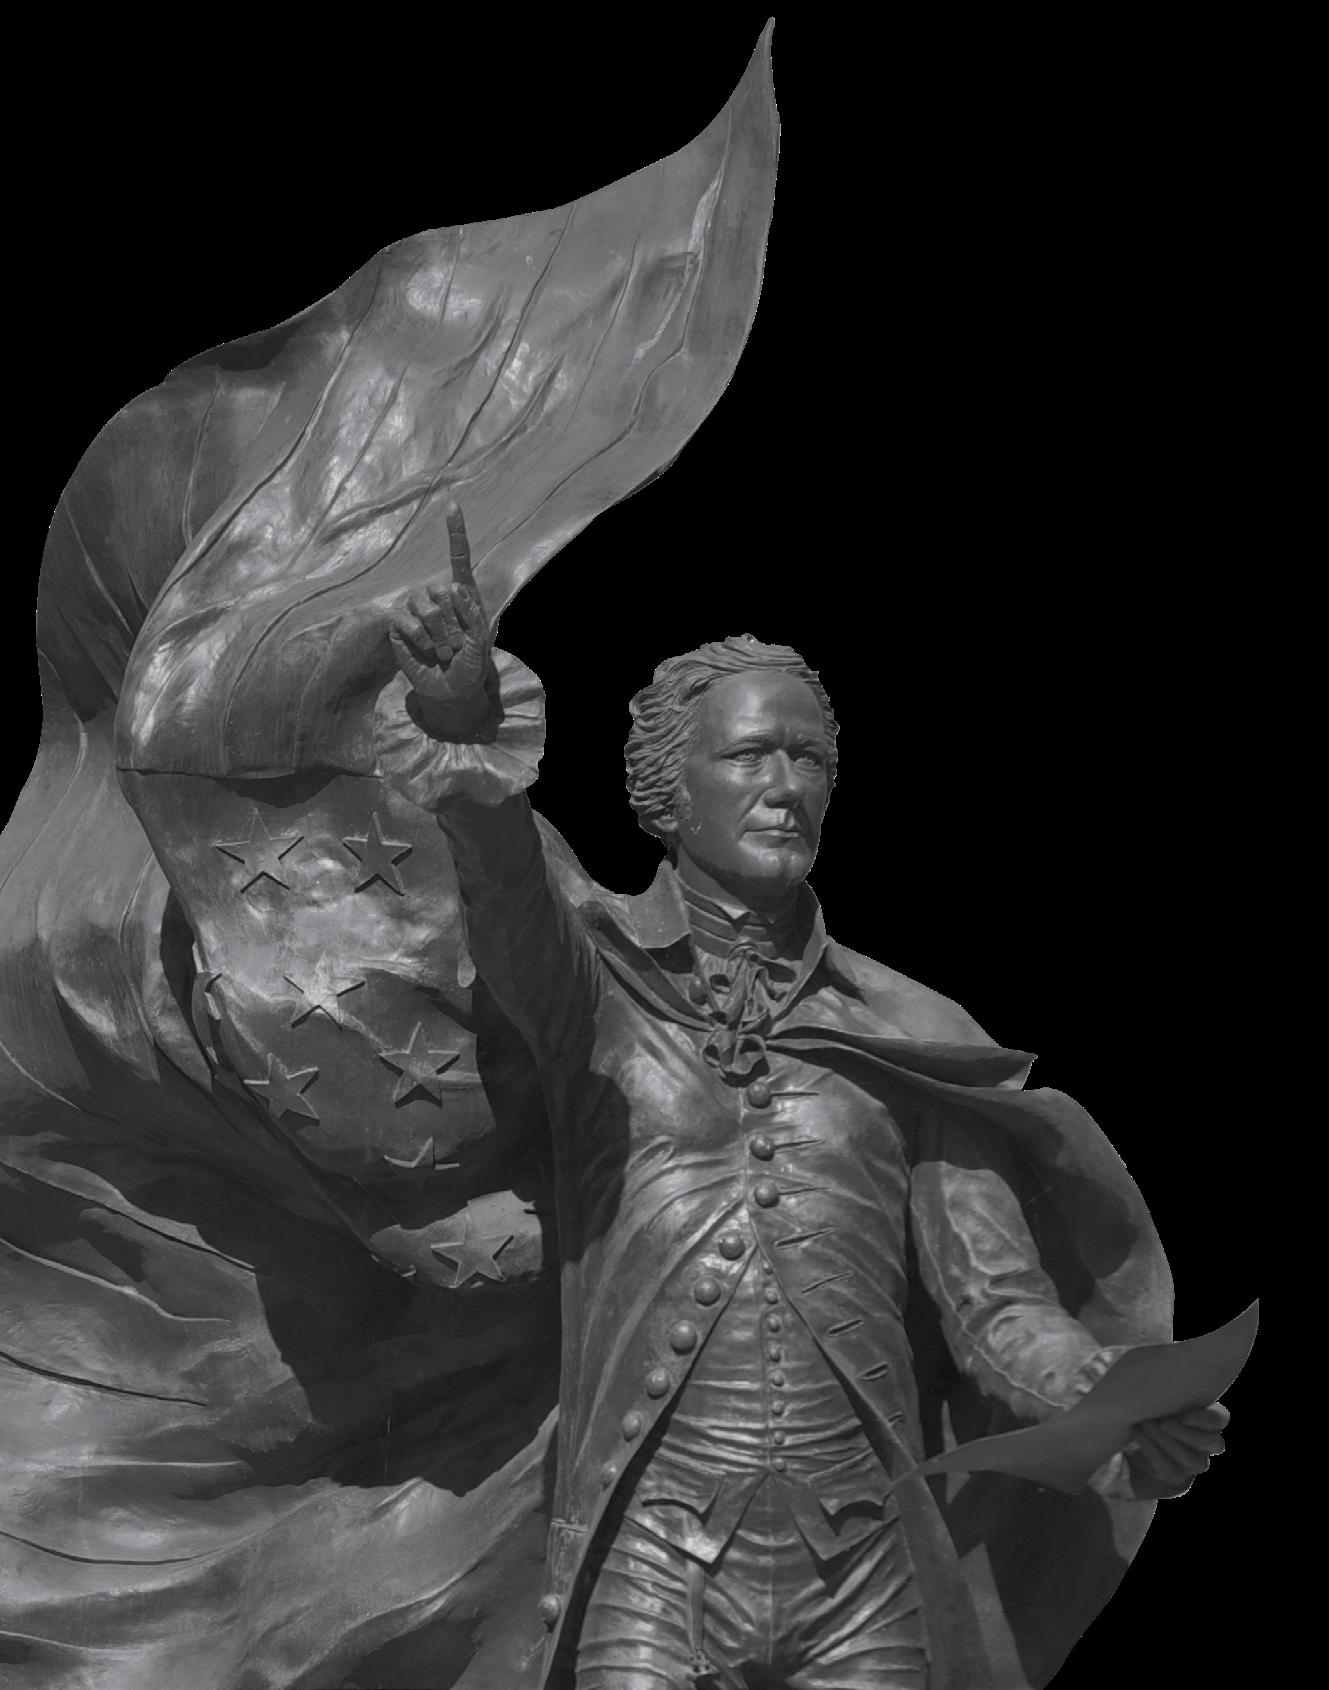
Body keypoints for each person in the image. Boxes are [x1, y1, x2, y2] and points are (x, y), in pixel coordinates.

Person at [379, 505, 1228, 1690]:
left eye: (810, 759)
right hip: (652, 1558)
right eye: (749, 757)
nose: (785, 787)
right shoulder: (593, 989)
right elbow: (507, 888)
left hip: (867, 1570)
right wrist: (464, 723)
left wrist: (1105, 1399)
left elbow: (996, 1308)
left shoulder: (908, 1037)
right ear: (668, 790)